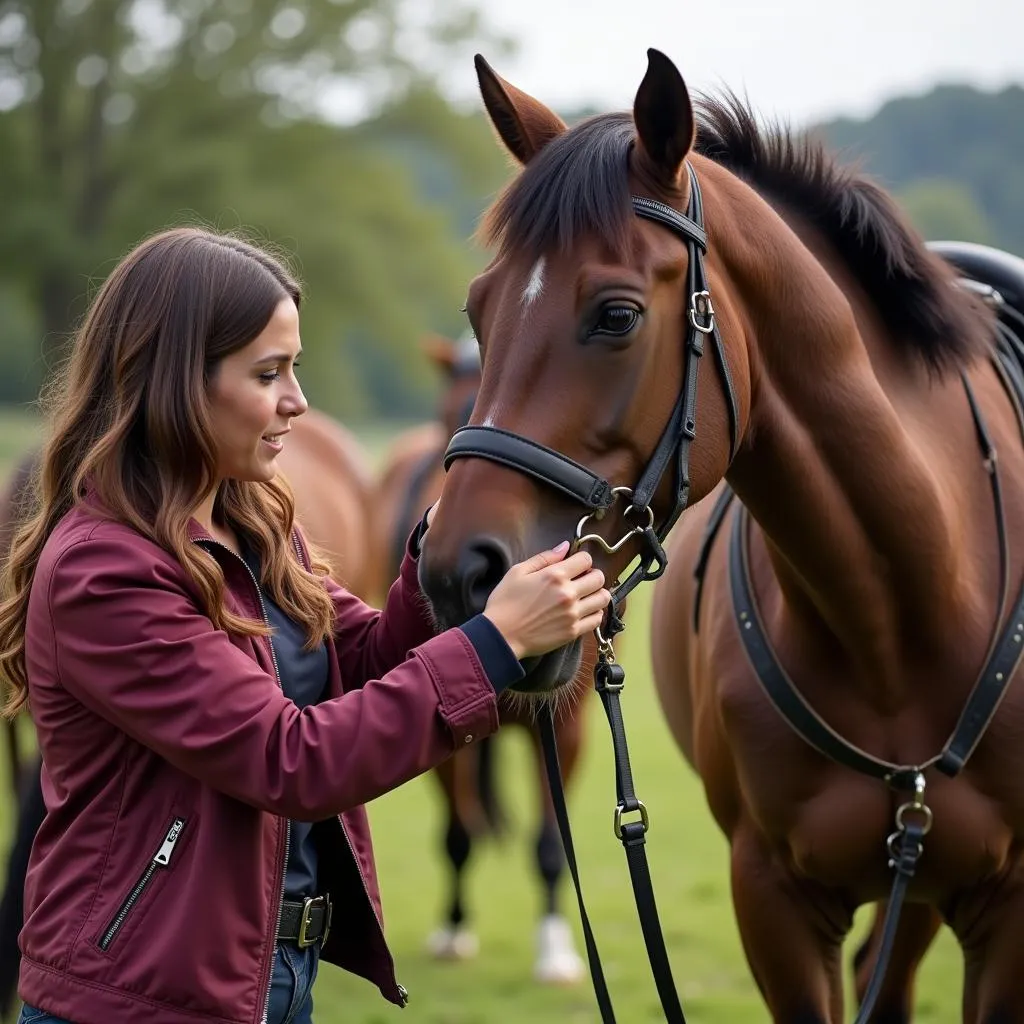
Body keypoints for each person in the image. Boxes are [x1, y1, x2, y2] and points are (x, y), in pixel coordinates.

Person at [0, 227, 610, 1024]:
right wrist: (494, 645)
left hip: (273, 979)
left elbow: (354, 659)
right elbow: (290, 761)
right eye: (268, 373)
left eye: (296, 367)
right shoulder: (104, 572)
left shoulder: (250, 524)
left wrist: (442, 558)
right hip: (137, 999)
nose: (299, 400)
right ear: (175, 381)